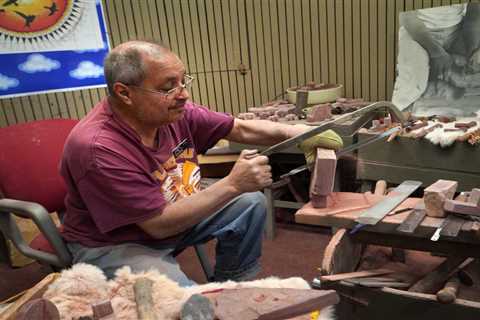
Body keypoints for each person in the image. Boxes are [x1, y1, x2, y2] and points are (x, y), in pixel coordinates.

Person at [60, 40, 342, 286]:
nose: (183, 94)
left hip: (171, 214)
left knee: (250, 204)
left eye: (184, 81)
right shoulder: (98, 148)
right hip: (118, 242)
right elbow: (156, 225)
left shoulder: (173, 112)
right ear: (124, 93)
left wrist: (301, 133)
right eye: (168, 87)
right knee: (183, 304)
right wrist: (233, 184)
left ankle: (232, 286)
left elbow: (240, 129)